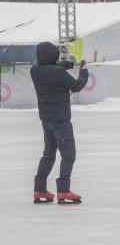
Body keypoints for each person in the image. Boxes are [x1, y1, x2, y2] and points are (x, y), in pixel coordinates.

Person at [31, 41, 88, 205]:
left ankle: (39, 188)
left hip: (46, 120)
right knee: (68, 154)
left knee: (48, 154)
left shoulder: (35, 71)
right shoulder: (57, 73)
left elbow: (51, 69)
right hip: (61, 121)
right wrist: (84, 71)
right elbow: (77, 86)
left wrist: (66, 65)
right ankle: (63, 191)